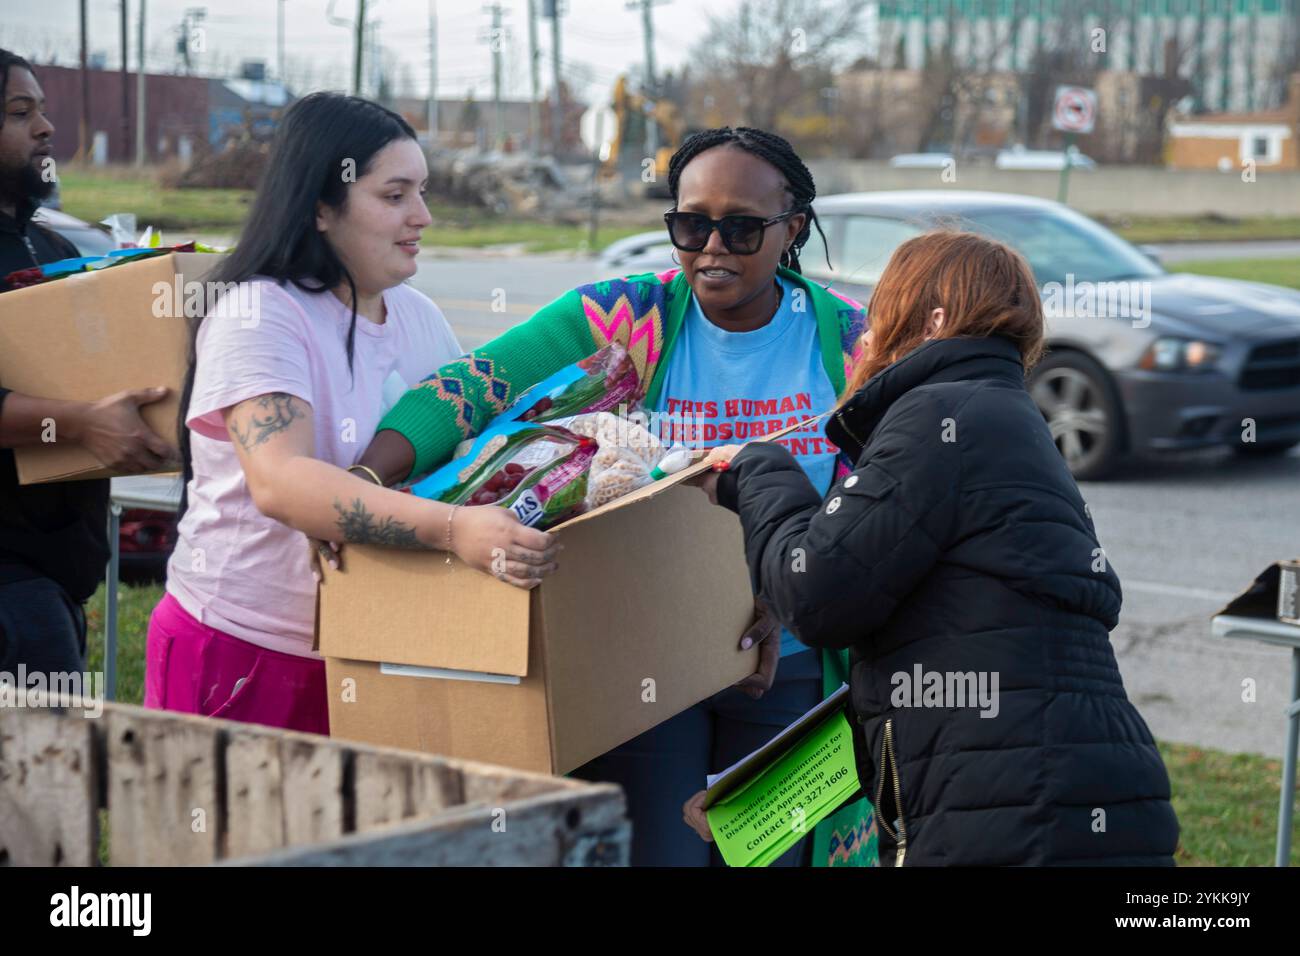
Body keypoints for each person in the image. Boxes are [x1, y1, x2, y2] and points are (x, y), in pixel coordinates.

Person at [357, 127, 875, 866]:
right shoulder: (624, 316)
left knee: (772, 857)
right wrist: (365, 485)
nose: (712, 248)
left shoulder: (851, 344)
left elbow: (886, 504)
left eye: (742, 228)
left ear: (792, 228)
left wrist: (789, 593)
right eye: (691, 225)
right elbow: (469, 390)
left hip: (788, 668)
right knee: (657, 853)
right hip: (644, 665)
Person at [686, 230, 1180, 865]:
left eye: (883, 316)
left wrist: (758, 468)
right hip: (1076, 796)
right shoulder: (1001, 416)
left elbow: (814, 593)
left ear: (935, 322)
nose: (866, 339)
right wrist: (755, 800)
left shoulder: (939, 418)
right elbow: (936, 676)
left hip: (1016, 815)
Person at [145, 92, 559, 735]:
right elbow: (282, 482)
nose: (422, 216)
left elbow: (461, 450)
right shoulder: (261, 313)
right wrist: (454, 530)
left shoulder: (418, 315)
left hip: (376, 647)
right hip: (246, 648)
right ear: (319, 206)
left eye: (422, 192)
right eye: (394, 196)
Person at [0, 49, 178, 680]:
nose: (45, 127)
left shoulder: (50, 244)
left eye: (43, 110)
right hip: (12, 584)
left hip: (60, 576)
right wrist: (81, 422)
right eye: (20, 112)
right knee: (47, 744)